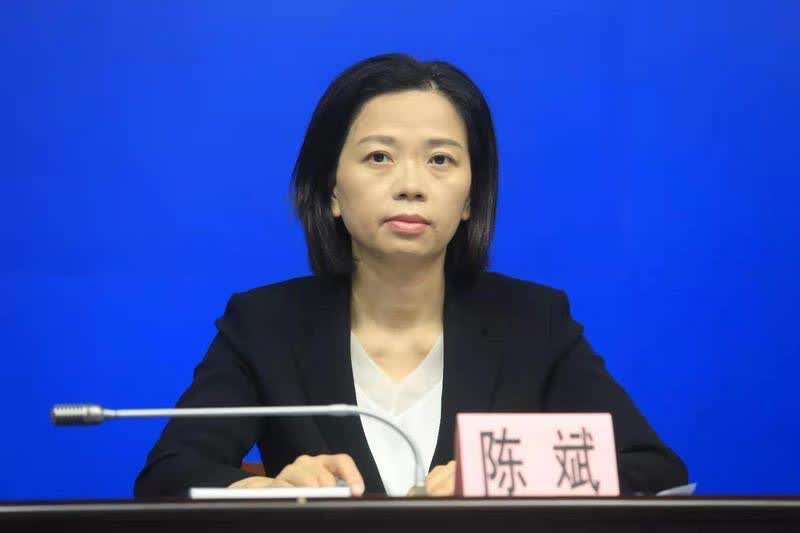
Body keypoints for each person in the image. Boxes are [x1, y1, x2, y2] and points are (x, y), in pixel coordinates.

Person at [133, 53, 688, 498]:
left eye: (440, 160)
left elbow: (654, 469)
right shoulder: (264, 325)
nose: (411, 185)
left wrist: (507, 479)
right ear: (330, 191)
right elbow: (169, 474)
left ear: (470, 199)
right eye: (379, 157)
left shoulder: (532, 323)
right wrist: (267, 488)